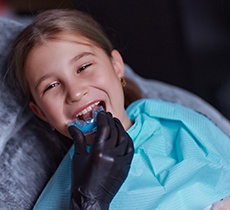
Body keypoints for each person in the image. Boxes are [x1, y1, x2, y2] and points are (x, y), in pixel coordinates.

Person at [8, 9, 230, 210]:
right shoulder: (62, 195)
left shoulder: (180, 122)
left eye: (84, 67)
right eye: (51, 86)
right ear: (41, 113)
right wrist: (88, 201)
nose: (75, 93)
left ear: (116, 66)